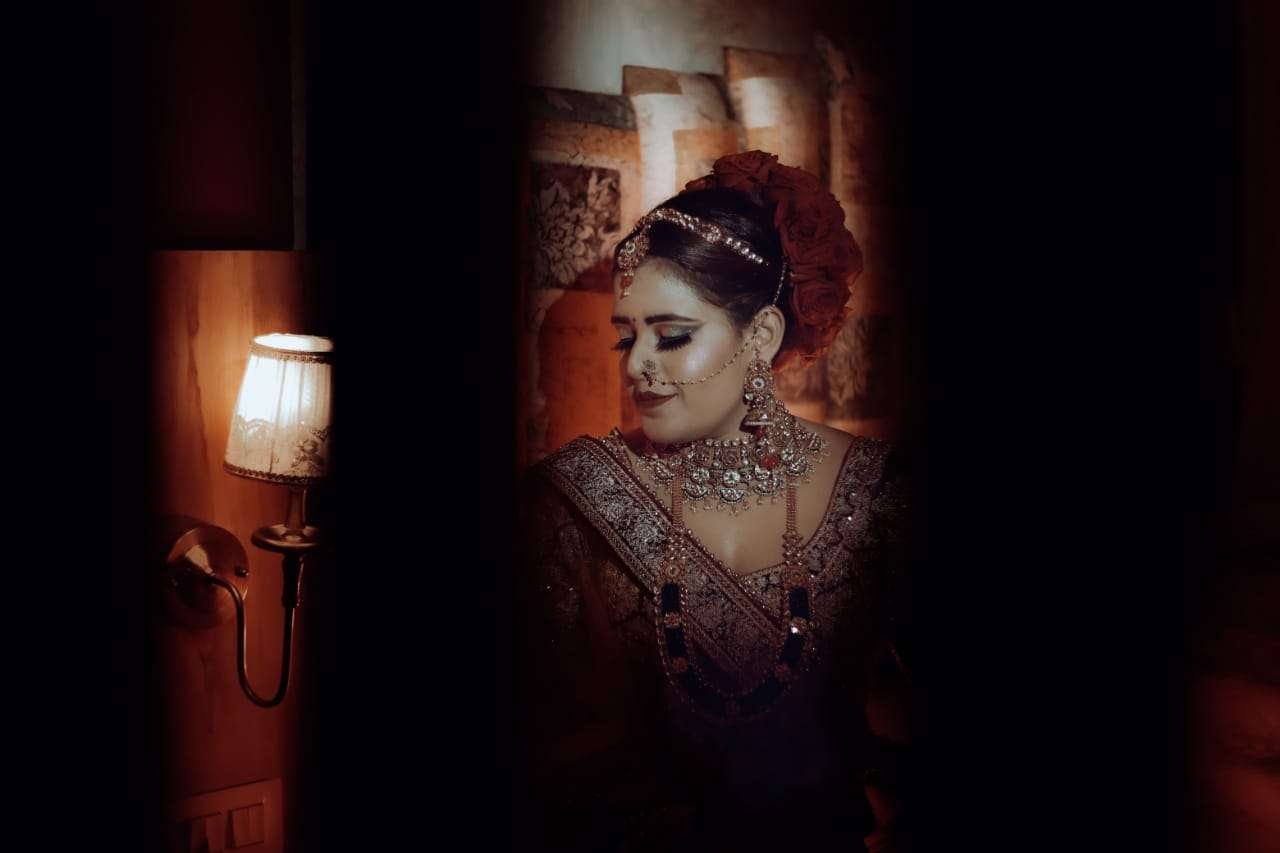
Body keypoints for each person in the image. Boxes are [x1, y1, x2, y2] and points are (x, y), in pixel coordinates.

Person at [515, 150, 915, 852]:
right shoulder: (575, 498)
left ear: (760, 337)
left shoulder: (877, 492)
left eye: (672, 335)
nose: (638, 363)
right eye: (626, 337)